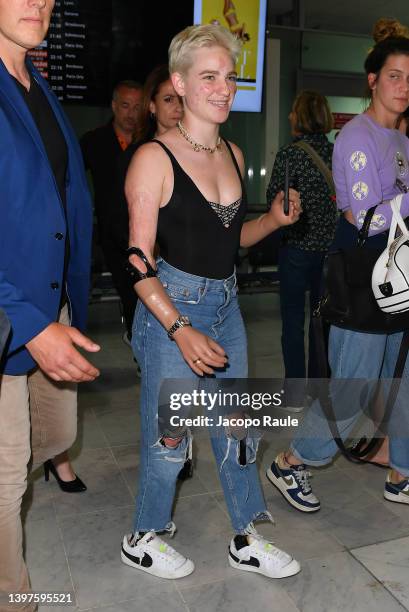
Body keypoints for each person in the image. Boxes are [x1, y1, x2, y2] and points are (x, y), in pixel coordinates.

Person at [120, 24, 302, 580]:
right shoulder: (153, 158)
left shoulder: (232, 150)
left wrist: (270, 221)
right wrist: (179, 329)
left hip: (226, 306)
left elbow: (227, 242)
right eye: (209, 77)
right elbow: (137, 262)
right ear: (180, 82)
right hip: (171, 308)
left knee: (240, 428)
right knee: (170, 436)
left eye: (229, 76)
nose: (224, 88)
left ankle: (245, 535)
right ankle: (142, 534)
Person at [266, 21, 409, 513]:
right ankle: (292, 460)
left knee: (401, 378)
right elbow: (366, 219)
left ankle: (403, 470)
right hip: (363, 272)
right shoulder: (356, 136)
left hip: (399, 274)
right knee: (353, 385)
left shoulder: (402, 142)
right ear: (372, 80)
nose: (404, 85)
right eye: (394, 75)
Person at [0, 1, 100, 608]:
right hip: (11, 317)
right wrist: (32, 324)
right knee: (7, 475)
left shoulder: (38, 85)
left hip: (51, 307)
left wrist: (63, 309)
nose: (38, 0)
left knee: (57, 434)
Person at [267, 90, 337, 410]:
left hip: (295, 248)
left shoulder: (290, 155)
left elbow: (275, 199)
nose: (291, 117)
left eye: (294, 112)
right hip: (330, 253)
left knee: (293, 320)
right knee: (322, 321)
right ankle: (319, 389)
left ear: (301, 116)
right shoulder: (338, 153)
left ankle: (293, 393)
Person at [81, 80, 143, 340]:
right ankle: (136, 338)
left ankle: (141, 343)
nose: (131, 114)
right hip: (113, 234)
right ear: (114, 107)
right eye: (126, 106)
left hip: (149, 231)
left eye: (137, 107)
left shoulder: (150, 143)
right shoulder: (94, 142)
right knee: (131, 293)